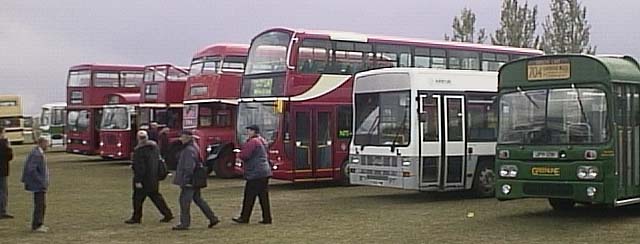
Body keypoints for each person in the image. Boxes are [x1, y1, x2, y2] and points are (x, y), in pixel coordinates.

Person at [172, 130, 219, 230]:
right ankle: (212, 218)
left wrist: (185, 180)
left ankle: (184, 223)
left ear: (188, 137)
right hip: (195, 179)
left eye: (182, 137)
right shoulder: (193, 147)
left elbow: (189, 166)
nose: (180, 139)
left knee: (184, 201)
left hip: (190, 180)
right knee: (198, 199)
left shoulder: (189, 150)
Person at [125, 131, 173, 224]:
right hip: (153, 178)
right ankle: (167, 214)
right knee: (156, 197)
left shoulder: (139, 151)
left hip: (144, 180)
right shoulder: (155, 148)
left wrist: (138, 180)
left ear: (138, 138)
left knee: (137, 199)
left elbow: (140, 168)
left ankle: (136, 217)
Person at [232, 125, 272, 224]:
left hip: (255, 172)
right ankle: (267, 218)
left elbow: (245, 155)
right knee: (263, 196)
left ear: (254, 131)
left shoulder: (253, 142)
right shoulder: (262, 140)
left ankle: (244, 217)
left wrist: (238, 153)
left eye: (249, 131)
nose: (247, 133)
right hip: (264, 171)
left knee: (249, 196)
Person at [21, 137, 50, 233]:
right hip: (37, 184)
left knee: (41, 204)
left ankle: (38, 223)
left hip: (38, 183)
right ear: (42, 143)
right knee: (40, 204)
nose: (48, 145)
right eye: (47, 143)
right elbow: (31, 169)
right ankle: (37, 225)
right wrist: (41, 181)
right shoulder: (36, 154)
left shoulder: (37, 153)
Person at [0, 127, 14, 219]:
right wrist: (9, 147)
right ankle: (2, 211)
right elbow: (9, 156)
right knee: (3, 191)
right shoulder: (3, 143)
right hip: (2, 171)